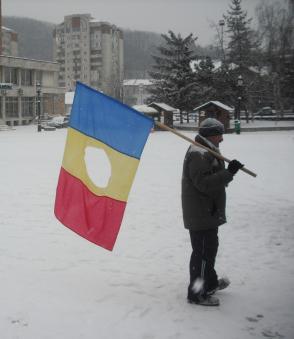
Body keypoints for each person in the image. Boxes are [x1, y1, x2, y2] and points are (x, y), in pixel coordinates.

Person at [181, 117, 243, 306]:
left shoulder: (208, 151)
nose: (222, 139)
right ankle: (197, 293)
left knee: (209, 250)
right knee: (202, 254)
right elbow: (204, 184)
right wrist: (228, 173)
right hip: (201, 212)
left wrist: (226, 172)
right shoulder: (198, 153)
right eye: (219, 135)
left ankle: (209, 284)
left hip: (208, 210)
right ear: (210, 135)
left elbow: (210, 178)